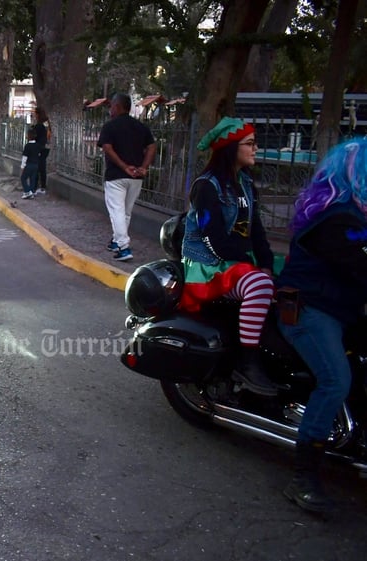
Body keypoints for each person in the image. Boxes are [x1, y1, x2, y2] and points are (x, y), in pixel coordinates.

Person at [275, 139, 367, 513]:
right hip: (309, 309)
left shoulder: (356, 215)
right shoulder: (336, 218)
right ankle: (303, 478)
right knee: (335, 379)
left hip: (339, 307)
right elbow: (361, 268)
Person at [179, 116, 279, 397]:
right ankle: (247, 362)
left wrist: (268, 264)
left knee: (287, 281)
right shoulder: (207, 187)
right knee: (259, 285)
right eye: (249, 144)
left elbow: (257, 232)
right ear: (230, 148)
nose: (255, 148)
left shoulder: (245, 184)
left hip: (236, 263)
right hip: (209, 265)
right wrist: (253, 269)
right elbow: (212, 238)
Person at [97, 93, 156, 261]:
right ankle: (116, 241)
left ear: (117, 107)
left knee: (116, 211)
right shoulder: (141, 127)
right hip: (136, 176)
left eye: (111, 106)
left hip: (116, 176)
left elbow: (107, 148)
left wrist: (123, 166)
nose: (110, 110)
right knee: (126, 212)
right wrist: (144, 167)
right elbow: (152, 147)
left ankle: (124, 247)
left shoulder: (110, 126)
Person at [32, 107, 51, 194]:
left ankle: (35, 188)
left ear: (38, 114)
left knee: (37, 167)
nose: (34, 115)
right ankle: (42, 187)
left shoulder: (39, 125)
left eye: (35, 113)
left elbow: (35, 136)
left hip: (39, 147)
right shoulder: (46, 123)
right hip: (46, 147)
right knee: (42, 167)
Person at [20, 128, 41, 200]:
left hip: (29, 165)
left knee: (23, 178)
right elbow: (39, 154)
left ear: (29, 136)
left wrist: (22, 167)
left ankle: (27, 191)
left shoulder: (27, 146)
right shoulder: (37, 145)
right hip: (36, 165)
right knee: (33, 179)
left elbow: (24, 157)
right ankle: (31, 192)